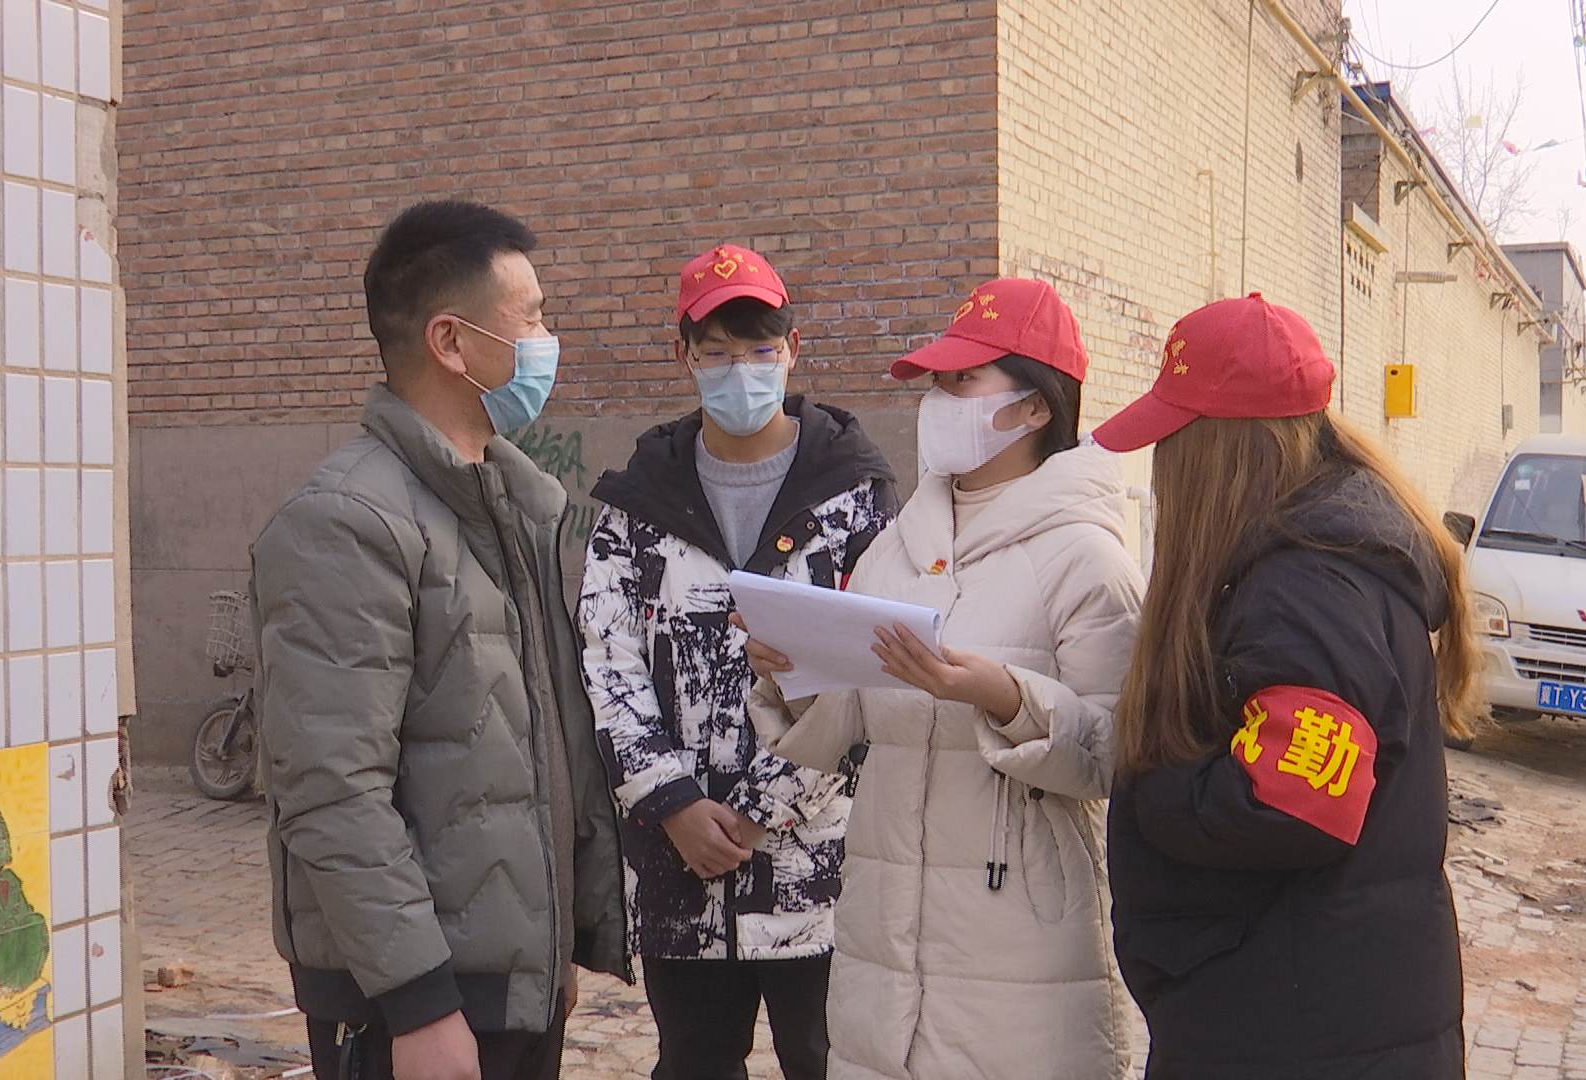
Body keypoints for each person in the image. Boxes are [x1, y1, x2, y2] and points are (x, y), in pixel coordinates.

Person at [252, 200, 630, 1080]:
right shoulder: (346, 522)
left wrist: (553, 949)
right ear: (452, 342)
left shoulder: (510, 506)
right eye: (531, 319)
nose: (547, 342)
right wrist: (418, 1003)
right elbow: (331, 789)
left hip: (509, 986)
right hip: (416, 1008)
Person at [742, 278, 1144, 1079]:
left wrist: (1004, 697)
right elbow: (852, 723)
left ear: (1036, 407)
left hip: (1019, 949)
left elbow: (1116, 756)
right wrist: (797, 674)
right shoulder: (897, 547)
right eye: (937, 381)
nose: (939, 400)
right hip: (885, 940)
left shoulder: (1088, 559)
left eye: (964, 381)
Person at [1092, 293, 1479, 1079]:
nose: (1162, 467)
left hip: (1297, 1029)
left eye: (1173, 439)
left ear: (1222, 452)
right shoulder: (1323, 559)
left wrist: (1152, 782)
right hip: (1323, 1007)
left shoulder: (1305, 589)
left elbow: (1294, 802)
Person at [578, 243, 898, 1079]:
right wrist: (675, 803)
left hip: (817, 869)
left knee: (829, 1061)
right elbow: (608, 665)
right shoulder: (636, 506)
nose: (740, 371)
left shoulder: (854, 500)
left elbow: (871, 678)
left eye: (759, 350)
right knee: (692, 1061)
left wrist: (761, 812)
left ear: (792, 350)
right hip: (679, 868)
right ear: (683, 355)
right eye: (716, 352)